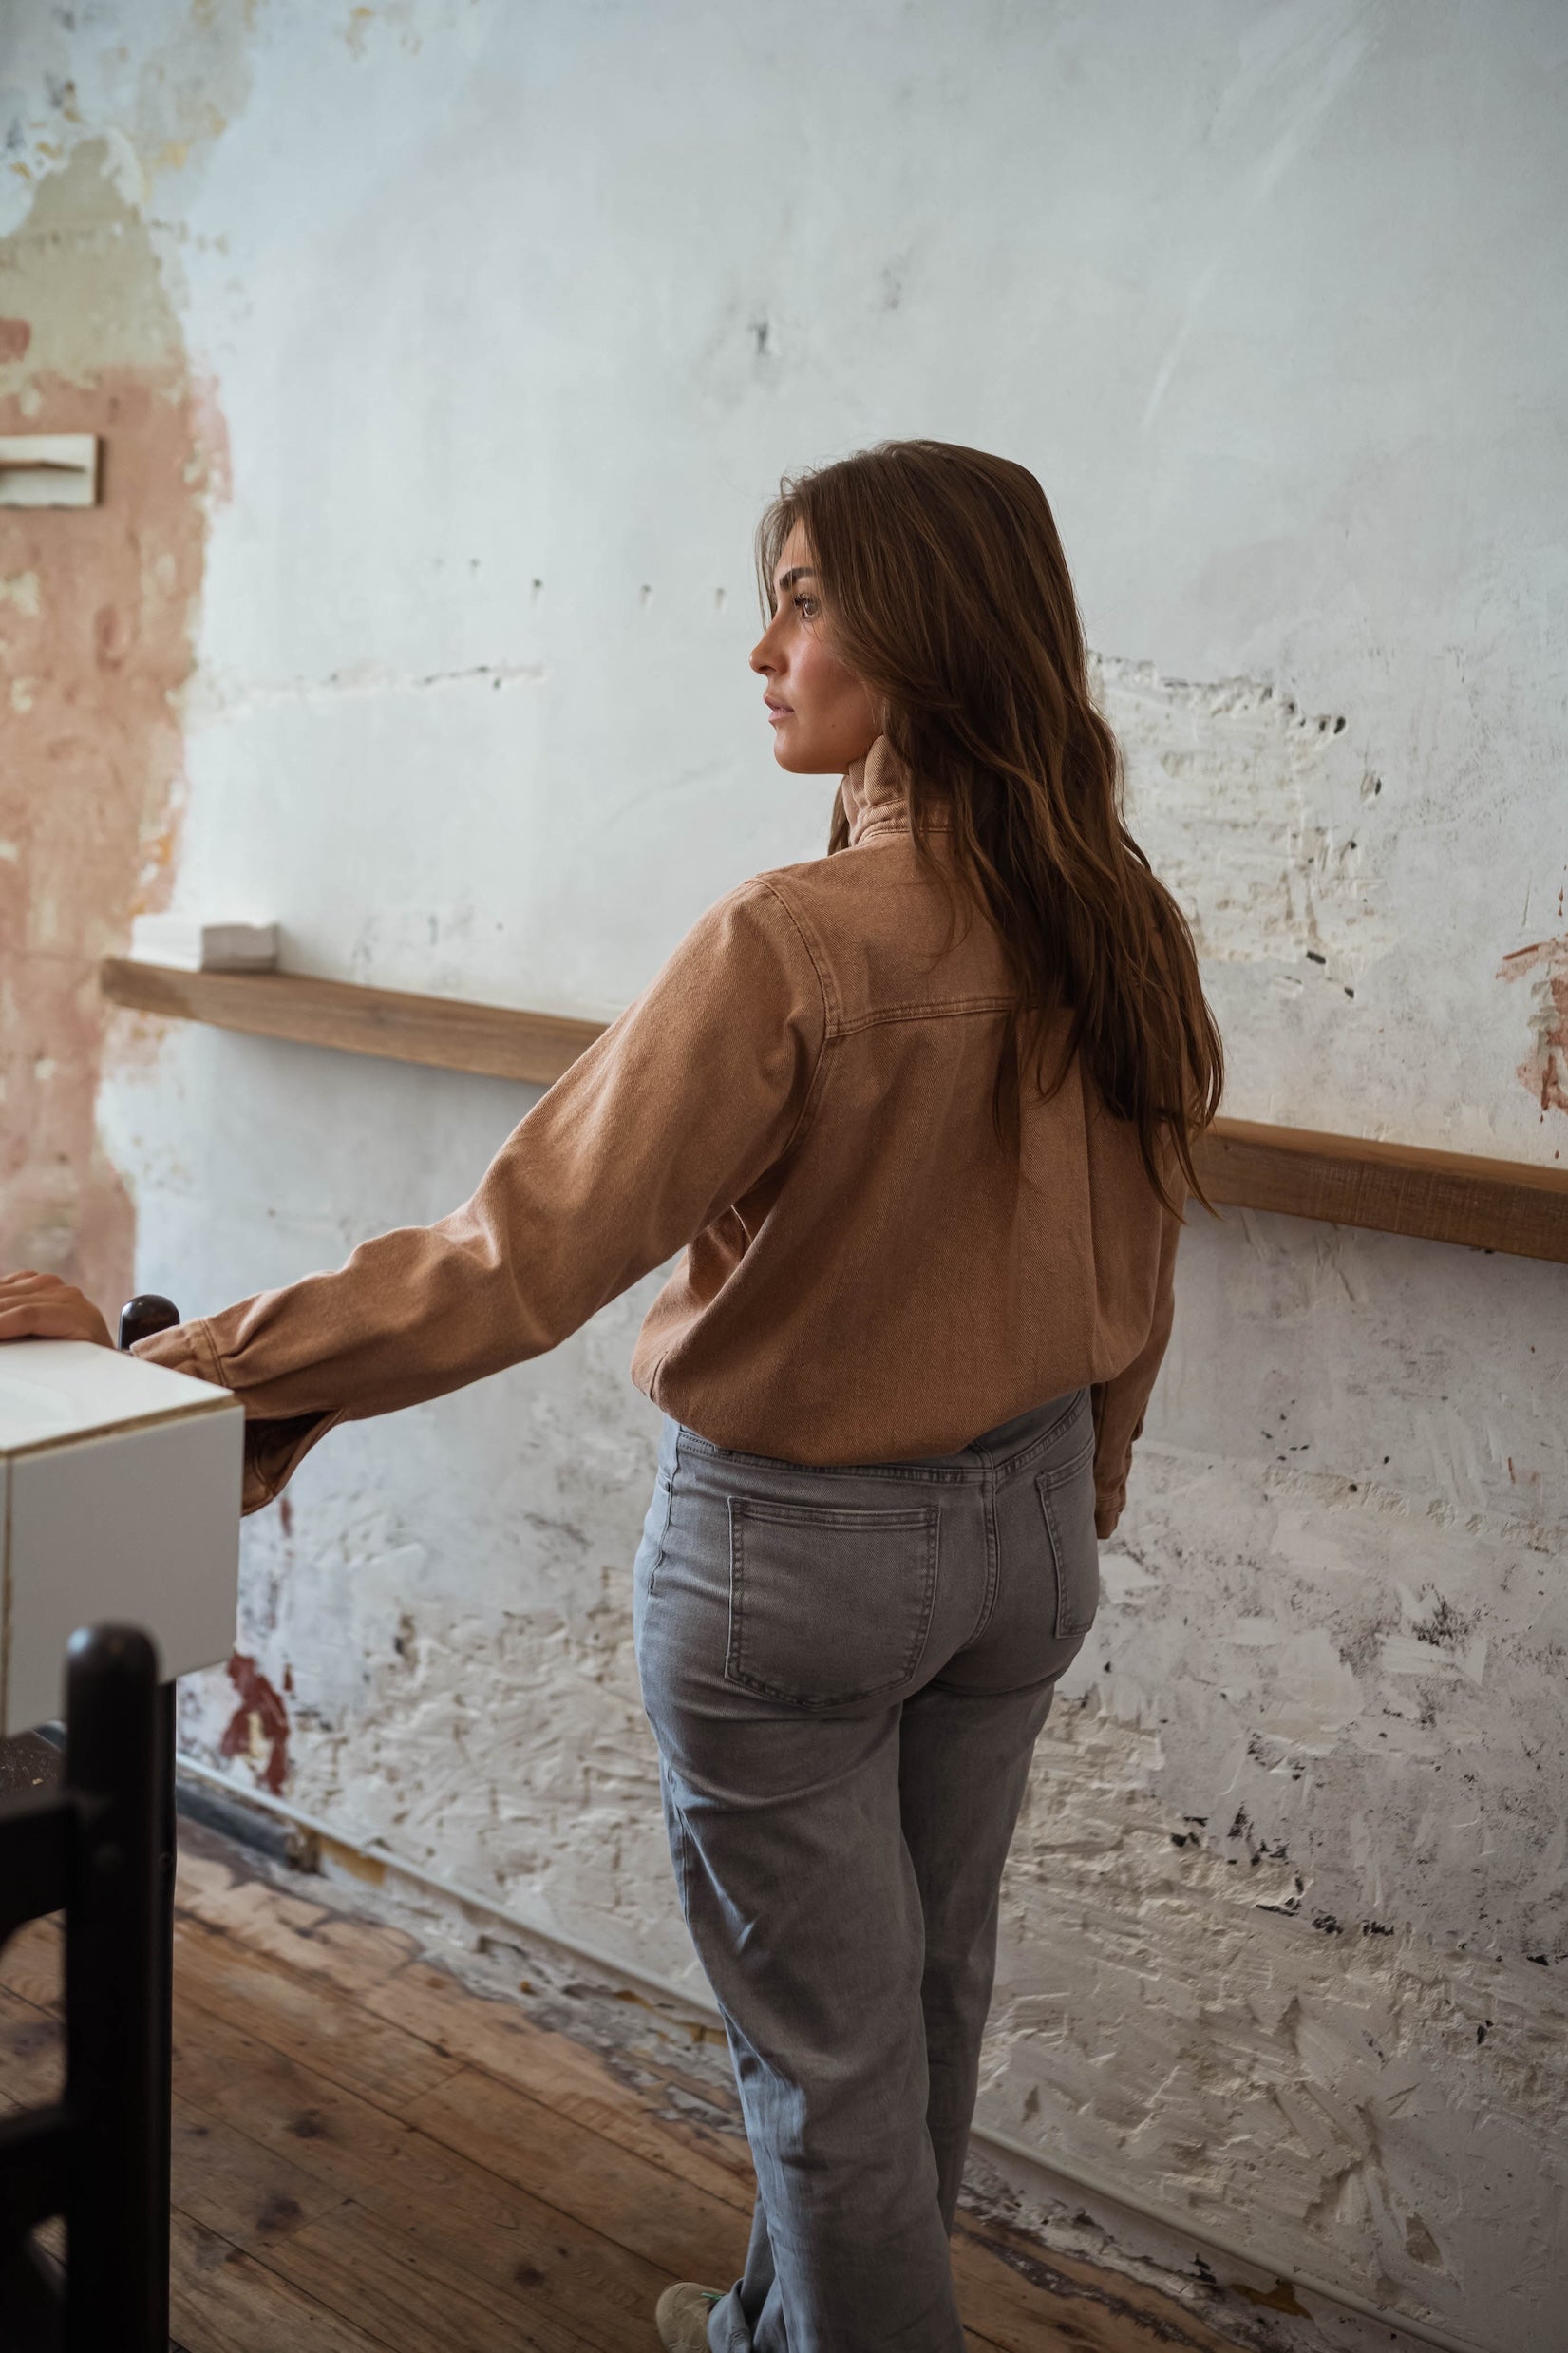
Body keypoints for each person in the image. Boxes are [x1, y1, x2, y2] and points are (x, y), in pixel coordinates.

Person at [0, 439, 1222, 2353]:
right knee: (915, 2017)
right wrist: (1084, 1488)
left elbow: (514, 1260)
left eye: (805, 597)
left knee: (822, 2065)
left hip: (796, 1574)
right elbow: (1142, 1259)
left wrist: (182, 1372)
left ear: (921, 630)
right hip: (1027, 1543)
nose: (762, 644)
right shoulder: (1116, 915)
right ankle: (768, 2330)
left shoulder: (792, 942)